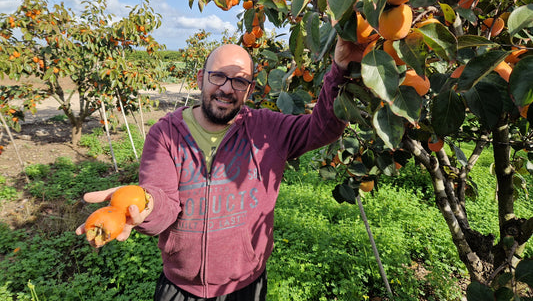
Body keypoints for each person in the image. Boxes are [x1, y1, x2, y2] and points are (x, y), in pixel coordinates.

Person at [76, 37, 365, 301]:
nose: (227, 88)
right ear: (200, 78)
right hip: (180, 288)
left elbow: (323, 129)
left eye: (239, 81)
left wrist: (340, 68)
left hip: (246, 286)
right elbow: (161, 200)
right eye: (218, 76)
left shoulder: (269, 130)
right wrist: (144, 206)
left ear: (250, 90)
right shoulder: (166, 134)